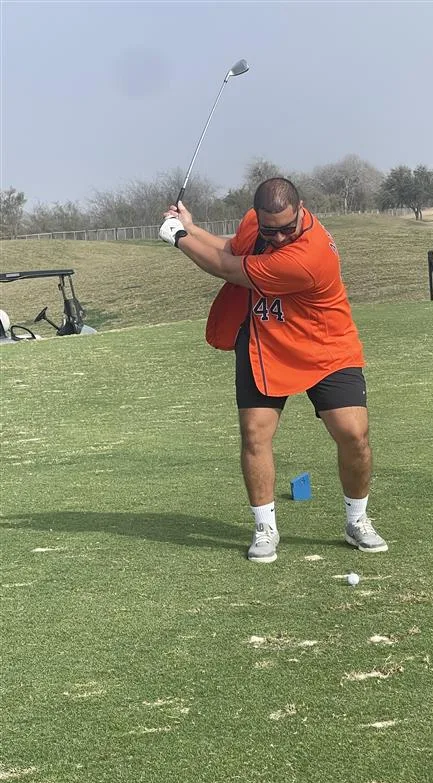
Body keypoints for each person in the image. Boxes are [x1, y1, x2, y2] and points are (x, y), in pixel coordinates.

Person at [159, 177, 388, 563]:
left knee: (354, 434)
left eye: (287, 228)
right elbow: (233, 248)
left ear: (301, 210)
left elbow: (228, 268)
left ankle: (357, 520)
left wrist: (178, 238)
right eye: (270, 230)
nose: (279, 237)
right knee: (255, 435)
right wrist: (192, 228)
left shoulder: (310, 256)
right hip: (264, 342)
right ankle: (265, 527)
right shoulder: (255, 223)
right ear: (257, 216)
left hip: (325, 345)